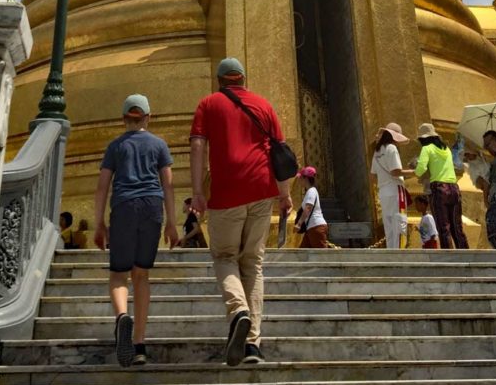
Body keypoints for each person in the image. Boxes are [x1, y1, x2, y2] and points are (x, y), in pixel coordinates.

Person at [190, 57, 293, 366]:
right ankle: (252, 346)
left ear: (220, 80)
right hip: (263, 190)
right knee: (253, 263)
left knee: (225, 257)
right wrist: (285, 194)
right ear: (243, 80)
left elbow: (197, 146)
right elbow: (281, 154)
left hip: (226, 193)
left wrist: (197, 191)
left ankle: (238, 311)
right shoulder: (264, 105)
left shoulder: (208, 104)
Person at [93, 93, 178, 367]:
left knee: (119, 274)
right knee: (141, 275)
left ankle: (121, 319)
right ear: (148, 118)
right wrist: (173, 223)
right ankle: (139, 344)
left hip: (124, 207)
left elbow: (102, 186)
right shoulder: (159, 145)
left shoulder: (115, 146)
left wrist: (99, 224)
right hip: (152, 206)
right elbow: (168, 186)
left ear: (123, 119)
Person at [414, 122, 469, 249]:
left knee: (444, 227)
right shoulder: (446, 150)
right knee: (457, 227)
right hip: (454, 188)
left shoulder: (426, 149)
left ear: (423, 139)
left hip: (439, 190)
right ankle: (466, 255)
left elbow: (420, 169)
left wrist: (414, 171)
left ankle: (448, 259)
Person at [370, 122, 413, 249]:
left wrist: (383, 182)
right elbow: (395, 172)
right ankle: (399, 253)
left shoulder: (377, 152)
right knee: (399, 222)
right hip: (395, 189)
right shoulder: (391, 148)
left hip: (383, 192)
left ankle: (391, 252)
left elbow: (372, 176)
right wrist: (413, 172)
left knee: (388, 225)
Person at [294, 166, 328, 247]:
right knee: (303, 255)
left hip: (316, 227)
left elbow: (308, 208)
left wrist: (299, 224)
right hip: (311, 227)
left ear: (305, 178)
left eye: (300, 178)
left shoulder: (311, 191)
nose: (299, 180)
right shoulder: (310, 191)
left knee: (322, 256)